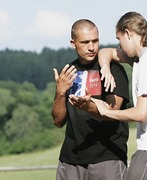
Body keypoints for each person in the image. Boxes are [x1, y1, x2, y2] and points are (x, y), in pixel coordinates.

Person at [91, 11, 147, 180]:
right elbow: (106, 52)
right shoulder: (143, 58)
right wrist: (105, 69)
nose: (120, 45)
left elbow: (141, 113)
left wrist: (106, 112)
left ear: (128, 33)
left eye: (119, 39)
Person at [51, 19, 130, 180]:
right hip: (71, 159)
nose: (92, 47)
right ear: (73, 43)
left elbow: (112, 112)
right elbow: (58, 121)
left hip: (108, 157)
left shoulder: (113, 70)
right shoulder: (67, 74)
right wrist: (60, 92)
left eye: (95, 41)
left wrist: (89, 107)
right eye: (85, 42)